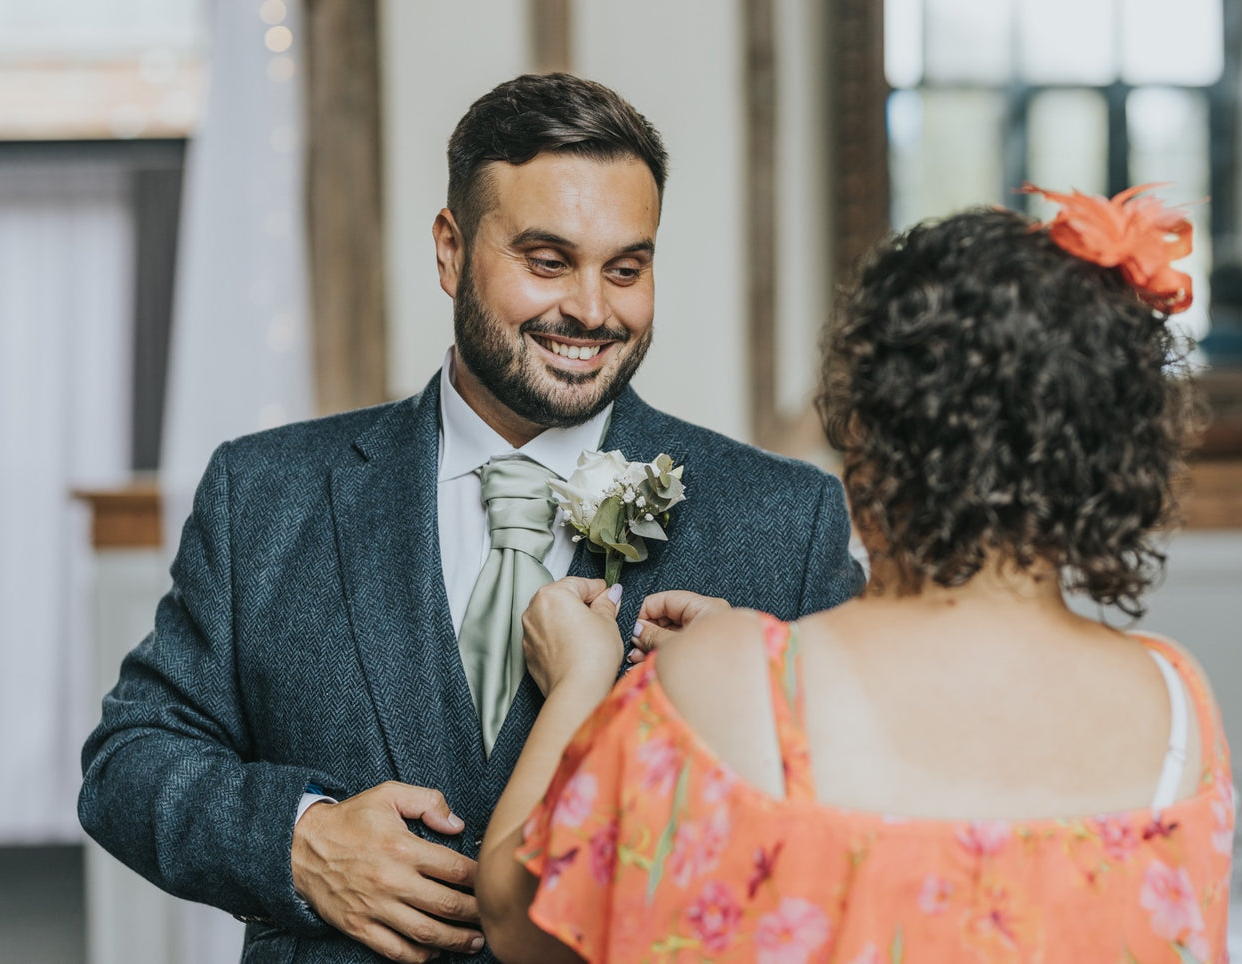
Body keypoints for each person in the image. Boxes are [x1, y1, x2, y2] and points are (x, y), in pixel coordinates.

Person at [78, 73, 863, 964]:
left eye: (626, 269)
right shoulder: (264, 492)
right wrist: (300, 842)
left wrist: (758, 699)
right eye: (546, 260)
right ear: (451, 250)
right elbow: (128, 763)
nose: (592, 311)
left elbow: (861, 815)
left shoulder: (783, 520)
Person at [476, 188, 1234, 961]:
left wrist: (581, 680)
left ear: (865, 424)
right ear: (1109, 454)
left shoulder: (732, 681)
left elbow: (514, 919)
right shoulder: (1176, 701)